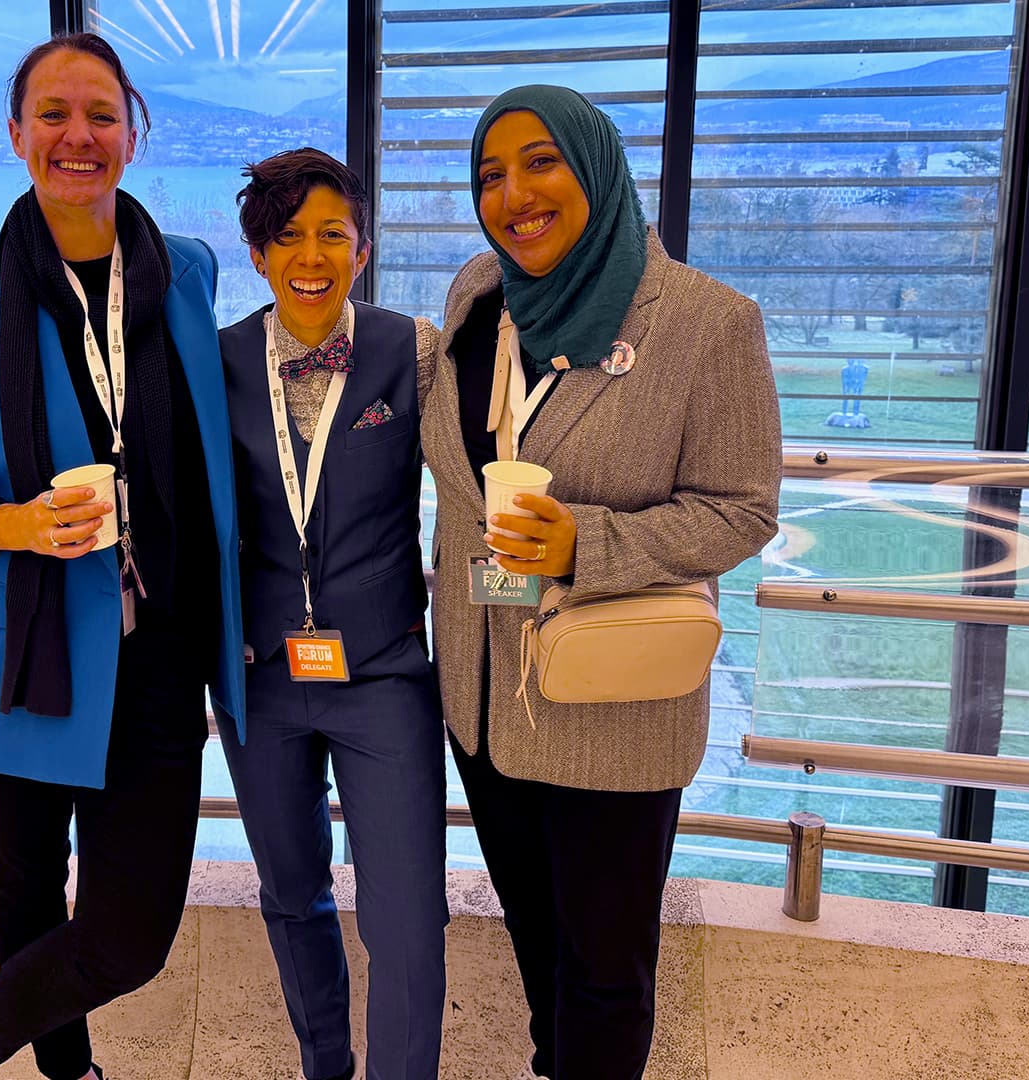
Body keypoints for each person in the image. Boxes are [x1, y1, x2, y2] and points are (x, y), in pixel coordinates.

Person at [0, 33, 245, 1080]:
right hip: (24, 652)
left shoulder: (188, 276)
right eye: (53, 114)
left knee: (133, 932)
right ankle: (66, 1071)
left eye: (99, 114)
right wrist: (14, 523)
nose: (77, 136)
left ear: (132, 133)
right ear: (16, 135)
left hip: (159, 652)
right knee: (27, 886)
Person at [419, 85, 781, 1080]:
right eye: (490, 173)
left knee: (607, 973)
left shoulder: (706, 324)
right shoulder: (476, 295)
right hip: (487, 699)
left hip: (612, 710)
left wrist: (587, 544)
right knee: (539, 945)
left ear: (597, 168)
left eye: (541, 162)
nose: (514, 193)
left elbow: (743, 508)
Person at [216, 148, 446, 1080]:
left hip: (384, 670)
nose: (310, 254)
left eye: (332, 234)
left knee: (406, 919)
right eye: (287, 236)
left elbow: (473, 486)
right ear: (260, 254)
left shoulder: (411, 350)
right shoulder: (218, 361)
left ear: (361, 249)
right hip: (263, 675)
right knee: (292, 894)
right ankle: (324, 1065)